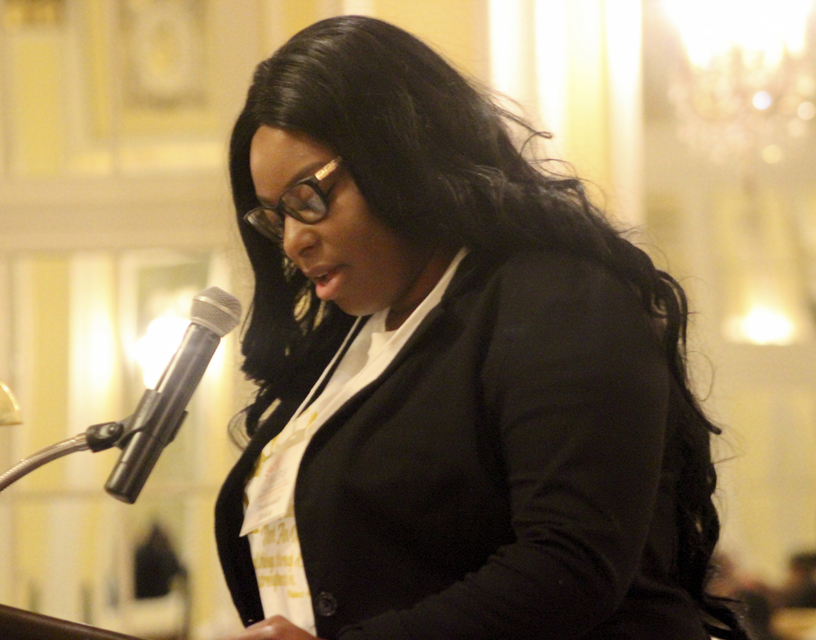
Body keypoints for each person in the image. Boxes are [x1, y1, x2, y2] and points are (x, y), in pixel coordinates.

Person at [214, 15, 748, 640]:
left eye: (309, 198)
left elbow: (570, 563)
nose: (293, 240)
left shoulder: (557, 300)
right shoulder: (347, 346)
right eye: (274, 217)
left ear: (396, 153)